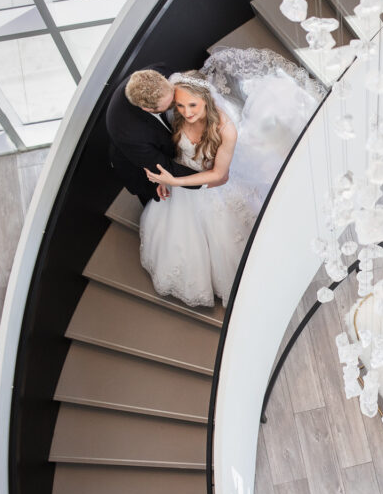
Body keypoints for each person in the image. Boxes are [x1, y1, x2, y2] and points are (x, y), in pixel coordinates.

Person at [138, 48, 324, 307]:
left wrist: (174, 181)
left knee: (228, 241)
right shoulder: (179, 109)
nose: (187, 112)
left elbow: (219, 177)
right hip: (184, 187)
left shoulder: (225, 130)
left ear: (206, 100)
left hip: (212, 187)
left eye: (192, 105)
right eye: (181, 106)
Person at [105, 66, 201, 205]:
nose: (177, 103)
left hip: (163, 143)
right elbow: (164, 167)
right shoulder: (129, 132)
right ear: (148, 109)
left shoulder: (159, 75)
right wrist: (206, 181)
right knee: (156, 200)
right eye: (170, 104)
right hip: (138, 164)